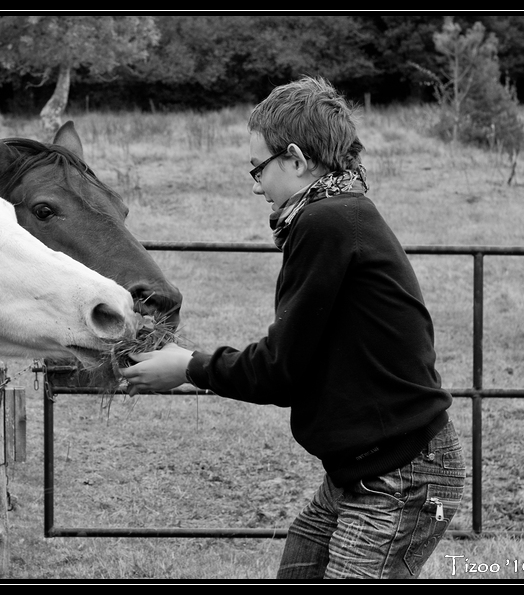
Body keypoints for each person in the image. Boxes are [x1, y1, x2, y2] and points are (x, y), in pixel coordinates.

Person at [119, 76, 466, 580]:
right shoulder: (343, 214)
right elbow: (301, 361)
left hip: (401, 476)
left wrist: (189, 365)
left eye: (258, 168)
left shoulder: (324, 223)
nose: (255, 183)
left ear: (297, 160)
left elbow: (281, 371)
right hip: (364, 468)